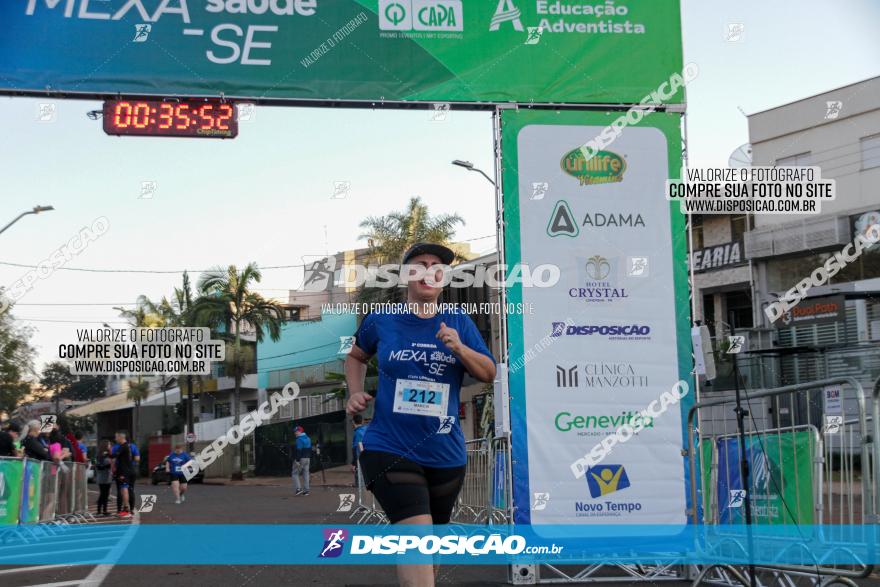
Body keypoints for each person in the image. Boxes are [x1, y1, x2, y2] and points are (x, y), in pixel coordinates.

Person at [345, 242, 496, 587]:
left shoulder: (459, 322)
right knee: (416, 541)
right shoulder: (381, 320)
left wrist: (459, 348)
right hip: (390, 447)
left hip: (445, 452)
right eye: (420, 264)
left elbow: (488, 372)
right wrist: (355, 393)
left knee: (432, 548)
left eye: (437, 266)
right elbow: (356, 357)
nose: (429, 271)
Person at [112, 432, 139, 513]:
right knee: (131, 489)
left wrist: (113, 469)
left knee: (121, 490)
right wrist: (130, 462)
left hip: (122, 470)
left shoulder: (117, 447)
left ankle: (122, 509)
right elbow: (137, 458)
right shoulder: (133, 446)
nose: (115, 439)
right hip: (132, 469)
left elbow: (113, 458)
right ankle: (131, 509)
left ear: (121, 437)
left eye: (116, 437)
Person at [94, 439, 113, 516]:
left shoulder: (99, 455)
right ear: (105, 446)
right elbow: (101, 466)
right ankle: (101, 510)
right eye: (109, 445)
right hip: (105, 477)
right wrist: (108, 464)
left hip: (103, 476)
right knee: (104, 494)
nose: (110, 446)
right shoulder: (104, 455)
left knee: (104, 494)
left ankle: (102, 510)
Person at [292, 426, 311, 496]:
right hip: (308, 458)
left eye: (296, 431)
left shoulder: (299, 439)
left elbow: (299, 451)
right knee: (306, 474)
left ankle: (298, 489)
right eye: (294, 431)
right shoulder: (308, 438)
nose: (295, 433)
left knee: (295, 473)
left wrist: (297, 460)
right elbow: (309, 449)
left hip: (301, 458)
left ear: (300, 431)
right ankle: (306, 491)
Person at [351, 414, 368, 486]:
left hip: (360, 460)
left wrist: (354, 464)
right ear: (362, 421)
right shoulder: (367, 429)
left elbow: (356, 449)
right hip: (370, 457)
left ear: (353, 422)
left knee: (360, 484)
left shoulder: (357, 433)